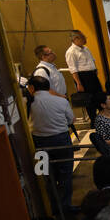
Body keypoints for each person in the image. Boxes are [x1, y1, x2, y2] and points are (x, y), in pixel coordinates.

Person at [26, 76, 75, 212]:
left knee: (44, 175)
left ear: (32, 88)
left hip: (38, 143)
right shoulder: (61, 101)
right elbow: (71, 120)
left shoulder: (28, 102)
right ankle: (65, 206)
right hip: (62, 140)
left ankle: (49, 207)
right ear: (49, 87)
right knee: (66, 174)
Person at [64, 34, 103, 119]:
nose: (85, 39)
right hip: (83, 77)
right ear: (76, 38)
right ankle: (93, 120)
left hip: (92, 75)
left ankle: (103, 118)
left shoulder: (86, 48)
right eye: (83, 38)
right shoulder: (71, 52)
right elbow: (73, 69)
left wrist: (95, 71)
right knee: (89, 100)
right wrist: (79, 83)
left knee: (99, 96)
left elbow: (92, 60)